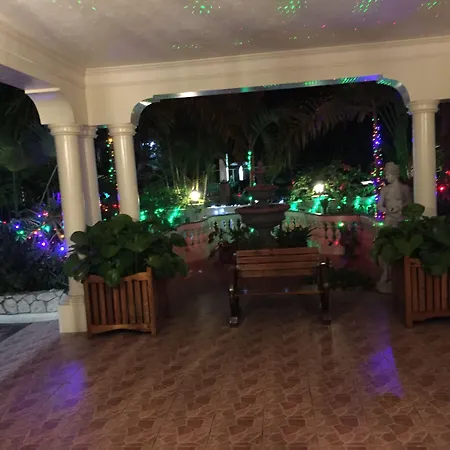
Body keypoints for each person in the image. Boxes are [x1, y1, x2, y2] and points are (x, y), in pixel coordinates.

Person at [376, 162, 412, 293]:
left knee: (400, 248)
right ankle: (386, 274)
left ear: (394, 174)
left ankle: (400, 277)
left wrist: (400, 208)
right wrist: (388, 210)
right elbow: (379, 206)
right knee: (385, 247)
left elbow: (409, 203)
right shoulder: (384, 190)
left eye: (388, 174)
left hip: (401, 220)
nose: (386, 177)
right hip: (389, 220)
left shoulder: (404, 188)